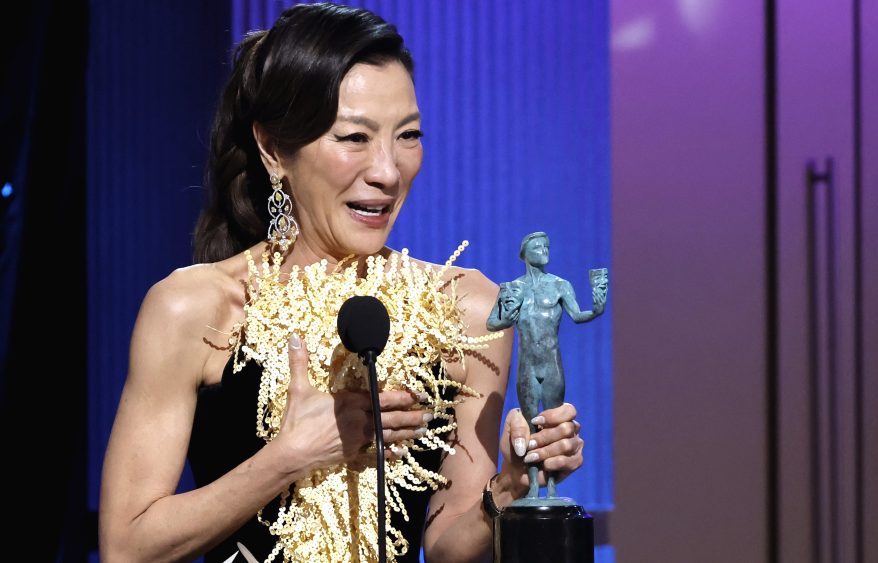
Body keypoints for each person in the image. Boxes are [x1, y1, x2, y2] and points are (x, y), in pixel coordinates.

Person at [97, 4, 584, 563]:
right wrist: (290, 455)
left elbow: (449, 546)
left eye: (408, 135)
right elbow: (125, 546)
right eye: (354, 137)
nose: (387, 169)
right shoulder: (194, 308)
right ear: (274, 149)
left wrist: (508, 491)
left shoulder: (467, 310)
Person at [486, 232, 606, 500]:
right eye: (537, 246)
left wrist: (597, 308)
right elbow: (494, 323)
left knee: (550, 427)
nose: (544, 250)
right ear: (524, 253)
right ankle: (530, 488)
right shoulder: (513, 288)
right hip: (527, 367)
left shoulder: (560, 285)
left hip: (552, 364)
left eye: (547, 246)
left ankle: (551, 489)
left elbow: (578, 315)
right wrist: (508, 311)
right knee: (530, 426)